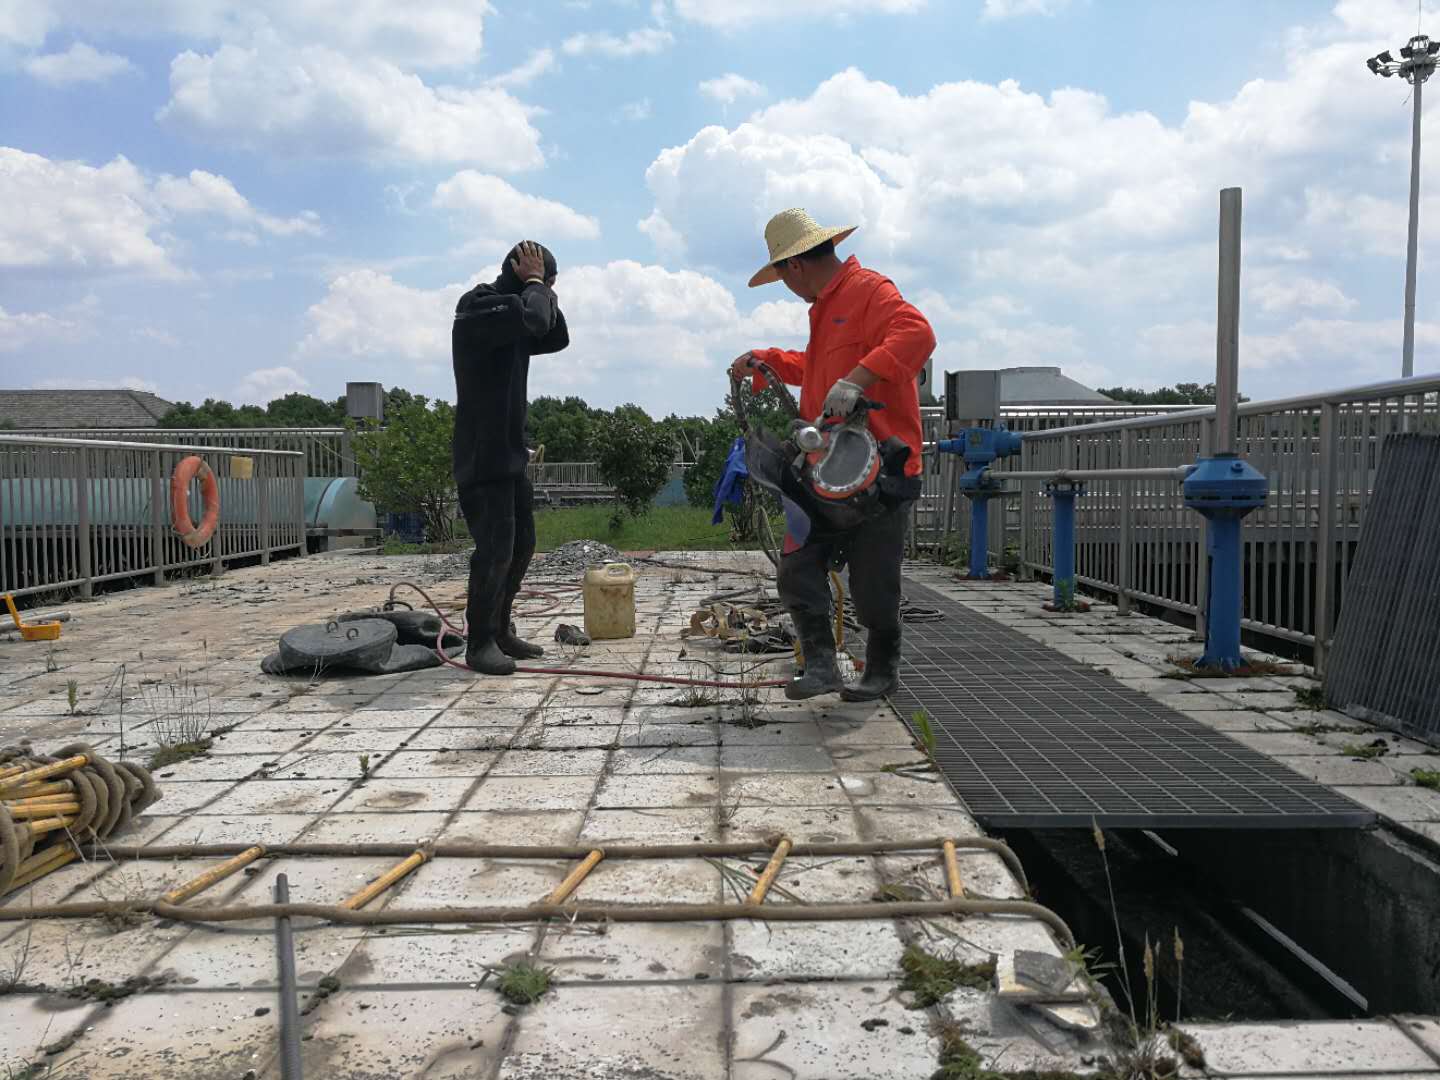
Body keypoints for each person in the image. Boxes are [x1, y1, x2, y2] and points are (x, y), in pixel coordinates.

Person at [730, 208, 934, 702]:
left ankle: (882, 668)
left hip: (880, 471)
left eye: (781, 276)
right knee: (798, 565)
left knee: (873, 582)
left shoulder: (868, 290)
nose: (786, 285)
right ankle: (820, 664)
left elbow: (918, 335)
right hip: (825, 472)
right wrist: (770, 361)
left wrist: (859, 380)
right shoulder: (825, 308)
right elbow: (821, 369)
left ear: (793, 267)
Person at [452, 240, 569, 674]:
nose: (549, 291)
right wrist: (536, 286)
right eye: (545, 279)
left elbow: (556, 335)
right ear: (521, 270)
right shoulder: (480, 306)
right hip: (482, 454)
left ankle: (500, 630)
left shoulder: (517, 317)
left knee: (523, 544)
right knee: (495, 548)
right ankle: (479, 642)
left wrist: (543, 289)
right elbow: (536, 317)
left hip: (510, 454)